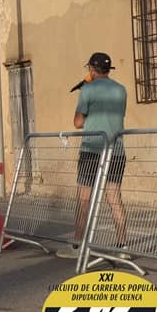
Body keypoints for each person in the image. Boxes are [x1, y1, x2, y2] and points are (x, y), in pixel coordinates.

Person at [58, 52, 130, 260]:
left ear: (91, 69)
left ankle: (77, 246)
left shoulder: (87, 90)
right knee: (114, 197)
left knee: (84, 198)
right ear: (108, 70)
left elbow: (78, 122)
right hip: (116, 150)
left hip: (92, 150)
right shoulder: (121, 90)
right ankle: (122, 246)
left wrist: (86, 92)